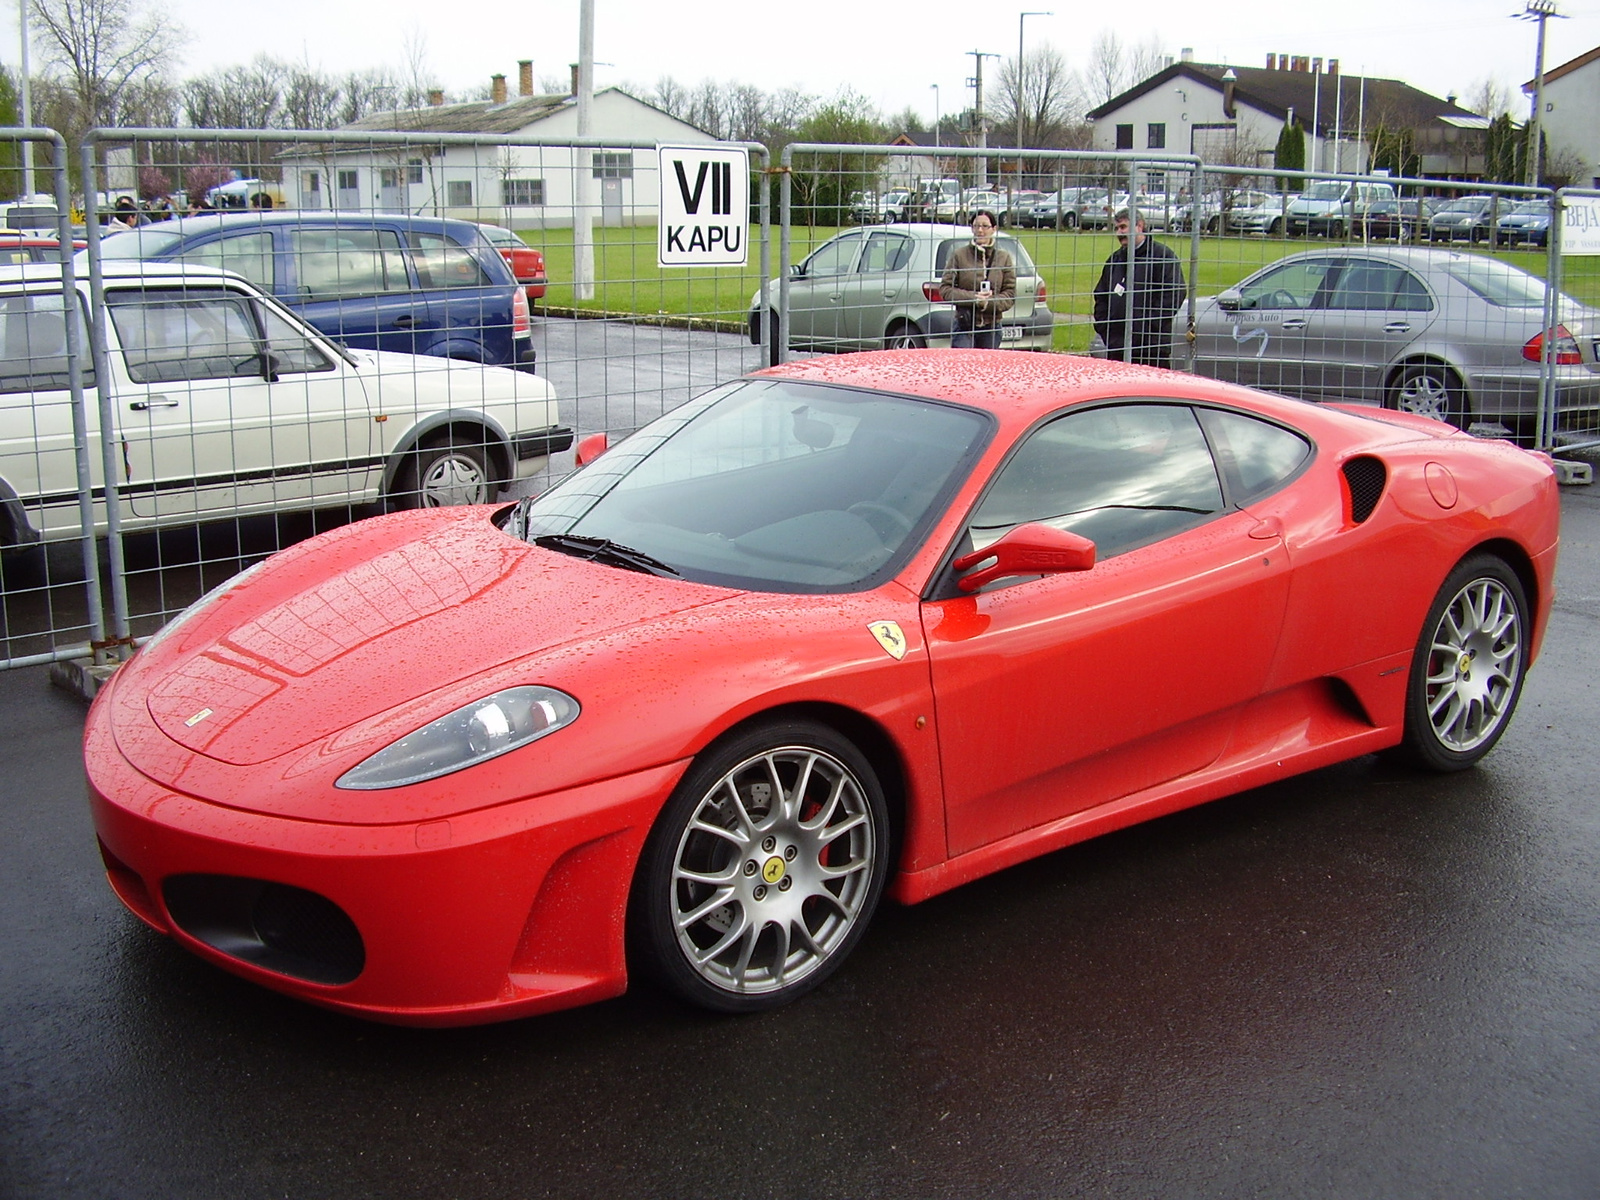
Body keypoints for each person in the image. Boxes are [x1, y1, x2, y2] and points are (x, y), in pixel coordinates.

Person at [1092, 208, 1186, 369]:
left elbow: (1173, 295)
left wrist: (1146, 328)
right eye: (1116, 228)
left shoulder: (1162, 257)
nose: (1119, 233)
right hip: (1117, 348)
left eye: (1123, 227)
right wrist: (1106, 329)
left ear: (1140, 226)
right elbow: (1101, 296)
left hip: (1151, 349)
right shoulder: (1115, 260)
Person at [940, 210, 1015, 349]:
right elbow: (945, 289)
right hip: (965, 326)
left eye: (985, 226)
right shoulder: (959, 255)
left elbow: (1010, 294)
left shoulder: (1004, 258)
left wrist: (988, 303)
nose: (980, 230)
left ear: (994, 229)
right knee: (963, 366)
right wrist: (974, 298)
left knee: (988, 368)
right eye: (976, 226)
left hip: (992, 327)